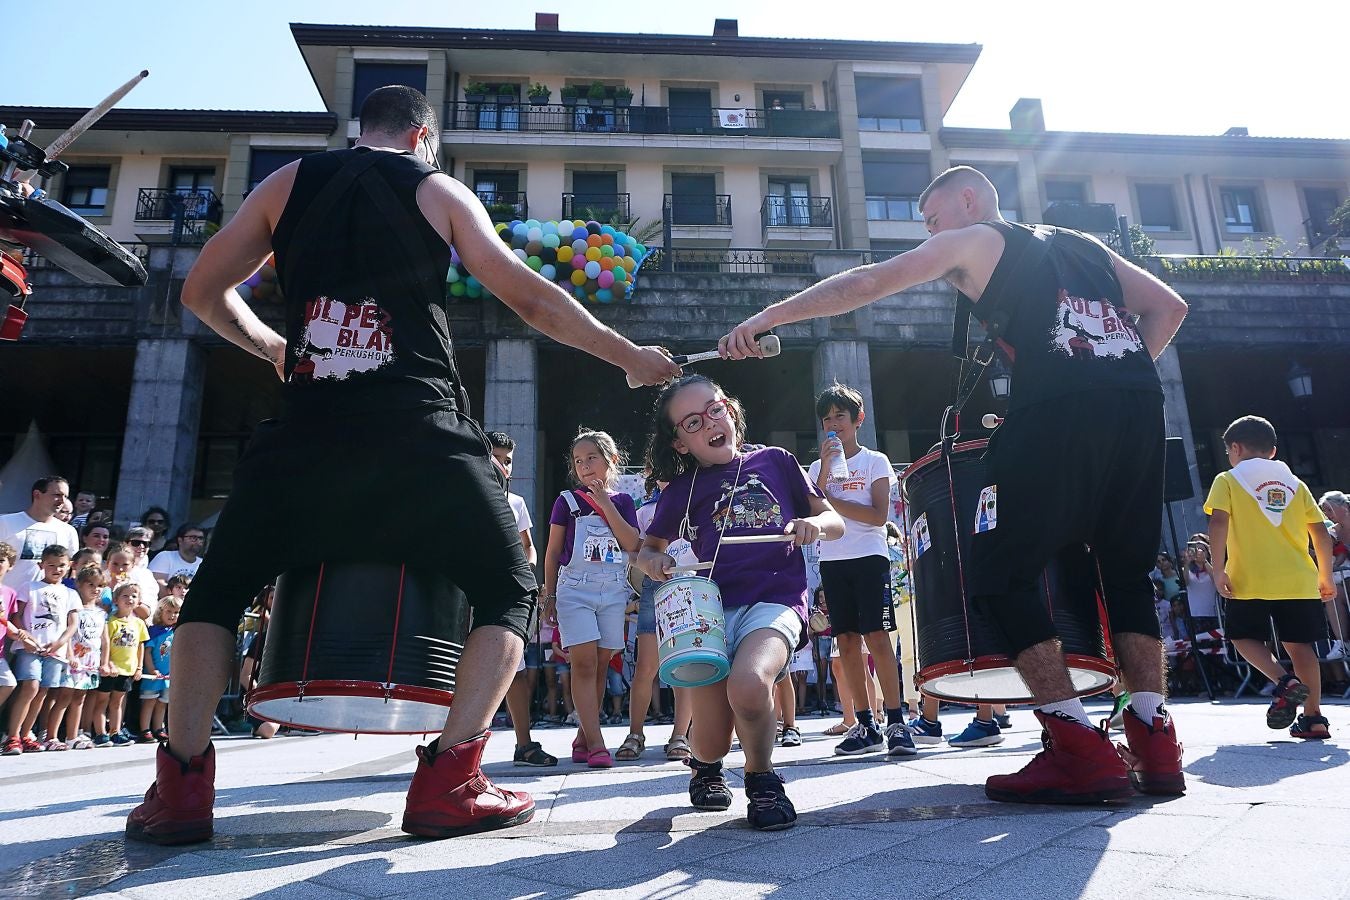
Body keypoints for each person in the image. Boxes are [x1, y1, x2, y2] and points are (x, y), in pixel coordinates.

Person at [125, 85, 678, 845]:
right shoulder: (436, 187)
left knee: (215, 593)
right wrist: (627, 358)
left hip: (306, 430)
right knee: (509, 588)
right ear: (423, 136)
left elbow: (199, 290)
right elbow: (528, 296)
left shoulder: (285, 183)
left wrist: (275, 348)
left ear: (362, 131)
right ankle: (451, 781)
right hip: (419, 432)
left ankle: (181, 791)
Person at [720, 165, 1190, 803]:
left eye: (933, 219)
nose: (931, 234)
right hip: (1138, 405)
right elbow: (1169, 306)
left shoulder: (978, 237)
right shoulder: (1084, 246)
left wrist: (766, 318)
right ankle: (1153, 737)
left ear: (969, 200)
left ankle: (1076, 743)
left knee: (998, 569)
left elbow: (869, 281)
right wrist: (1114, 380)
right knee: (1126, 572)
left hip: (1057, 408)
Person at [638, 375, 844, 831]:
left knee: (750, 686)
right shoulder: (681, 490)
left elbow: (834, 520)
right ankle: (707, 765)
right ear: (679, 443)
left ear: (729, 409)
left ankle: (761, 778)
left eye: (715, 408)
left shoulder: (777, 460)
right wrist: (654, 563)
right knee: (710, 741)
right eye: (693, 422)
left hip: (775, 600)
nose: (710, 422)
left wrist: (815, 527)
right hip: (709, 613)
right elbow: (647, 549)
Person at [1205, 416, 1336, 740]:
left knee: (1242, 636)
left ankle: (1283, 681)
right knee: (1301, 646)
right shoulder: (1296, 484)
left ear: (1235, 448)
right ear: (1273, 450)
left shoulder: (1228, 480)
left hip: (1251, 577)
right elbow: (1320, 532)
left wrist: (1218, 567)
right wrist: (1325, 574)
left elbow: (1218, 523)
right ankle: (1314, 719)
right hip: (1298, 577)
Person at [805, 384, 913, 757]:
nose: (833, 424)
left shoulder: (875, 461)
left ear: (857, 420)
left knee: (877, 637)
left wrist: (831, 500)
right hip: (833, 560)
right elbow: (812, 510)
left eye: (840, 416)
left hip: (870, 556)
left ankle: (897, 722)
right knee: (846, 641)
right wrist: (820, 480)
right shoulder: (817, 467)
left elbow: (877, 516)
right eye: (827, 418)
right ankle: (864, 723)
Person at [542, 429, 642, 768]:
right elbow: (553, 552)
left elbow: (632, 544)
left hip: (613, 592)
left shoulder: (625, 502)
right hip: (575, 591)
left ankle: (584, 736)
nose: (585, 466)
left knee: (601, 665)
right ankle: (597, 742)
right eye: (578, 461)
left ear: (611, 460)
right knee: (582, 663)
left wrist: (604, 505)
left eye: (592, 458)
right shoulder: (566, 502)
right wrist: (550, 595)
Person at [486, 431, 556, 768]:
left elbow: (529, 545)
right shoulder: (469, 498)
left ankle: (524, 745)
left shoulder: (516, 503)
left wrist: (527, 571)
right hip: (471, 597)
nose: (503, 465)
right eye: (496, 457)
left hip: (509, 595)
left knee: (516, 669)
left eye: (508, 460)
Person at [623, 477, 695, 762]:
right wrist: (642, 560)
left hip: (689, 583)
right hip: (654, 586)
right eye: (662, 469)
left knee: (684, 664)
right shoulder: (644, 511)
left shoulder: (696, 500)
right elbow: (634, 552)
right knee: (646, 665)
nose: (669, 477)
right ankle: (635, 733)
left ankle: (680, 734)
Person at [3, 545, 79, 755]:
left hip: (55, 651)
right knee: (30, 687)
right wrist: (26, 637)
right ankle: (12, 736)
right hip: (30, 647)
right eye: (51, 565)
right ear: (41, 565)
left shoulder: (70, 593)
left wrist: (60, 643)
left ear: (69, 566)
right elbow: (17, 615)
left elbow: (72, 623)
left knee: (43, 692)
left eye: (61, 565)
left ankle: (27, 734)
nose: (56, 569)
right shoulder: (29, 587)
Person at [94, 583, 149, 747]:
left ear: (138, 601)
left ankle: (115, 732)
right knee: (102, 701)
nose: (129, 599)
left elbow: (140, 645)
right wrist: (108, 662)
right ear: (116, 600)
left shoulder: (139, 623)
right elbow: (106, 644)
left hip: (127, 669)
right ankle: (100, 733)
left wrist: (139, 667)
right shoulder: (110, 621)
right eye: (125, 595)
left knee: (117, 702)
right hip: (110, 669)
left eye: (133, 596)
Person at [0, 477, 80, 591]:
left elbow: (71, 570)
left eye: (65, 496)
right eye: (57, 494)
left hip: (47, 604)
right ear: (37, 494)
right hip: (8, 602)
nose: (62, 501)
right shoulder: (5, 522)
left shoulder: (68, 531)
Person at [60, 563, 108, 749]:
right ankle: (51, 735)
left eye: (99, 586)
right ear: (79, 584)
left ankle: (74, 735)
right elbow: (69, 634)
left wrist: (104, 662)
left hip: (91, 661)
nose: (95, 589)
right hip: (73, 659)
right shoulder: (74, 609)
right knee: (64, 696)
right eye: (91, 585)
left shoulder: (101, 613)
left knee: (81, 697)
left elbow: (104, 640)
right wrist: (70, 655)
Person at [138, 598, 180, 743]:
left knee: (163, 703)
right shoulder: (154, 631)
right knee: (149, 701)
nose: (172, 615)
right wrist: (151, 670)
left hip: (169, 676)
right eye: (168, 611)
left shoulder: (177, 632)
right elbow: (147, 652)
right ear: (161, 611)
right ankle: (145, 729)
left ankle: (158, 728)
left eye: (176, 612)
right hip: (153, 675)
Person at [1316, 491, 1349, 661]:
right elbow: (1324, 545)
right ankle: (1343, 644)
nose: (1327, 514)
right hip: (1345, 579)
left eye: (1329, 509)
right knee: (1332, 595)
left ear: (1343, 507)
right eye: (1324, 511)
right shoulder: (1333, 531)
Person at [148, 525, 205, 592]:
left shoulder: (203, 563)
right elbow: (158, 584)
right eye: (193, 538)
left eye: (200, 538)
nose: (197, 541)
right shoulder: (165, 556)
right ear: (180, 540)